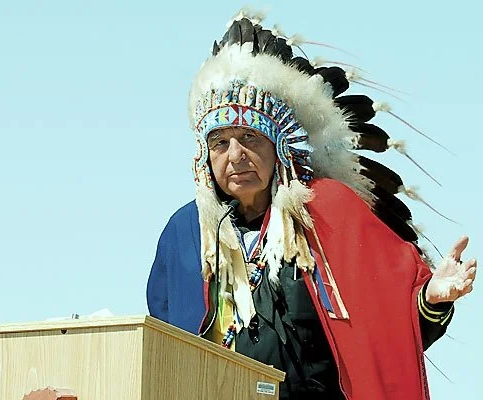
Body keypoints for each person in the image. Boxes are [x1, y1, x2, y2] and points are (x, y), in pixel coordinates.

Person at [146, 9, 477, 400]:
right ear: (205, 156)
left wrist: (431, 299)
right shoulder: (185, 234)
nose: (235, 155)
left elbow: (389, 327)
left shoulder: (329, 211)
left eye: (250, 139)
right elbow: (161, 344)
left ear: (279, 146)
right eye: (220, 142)